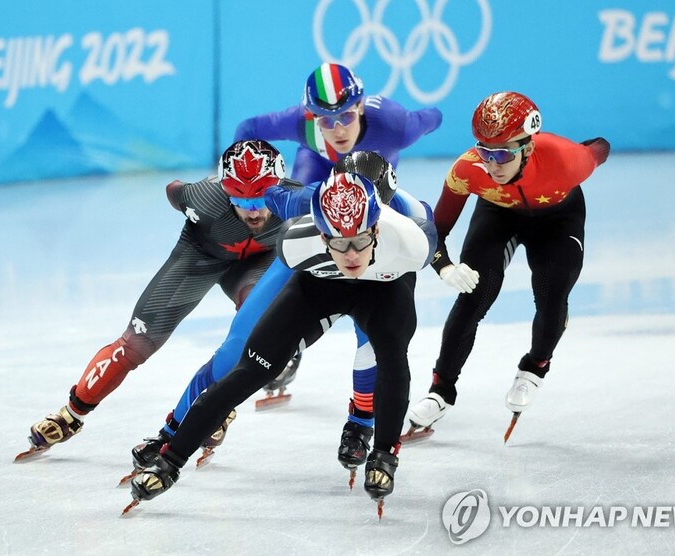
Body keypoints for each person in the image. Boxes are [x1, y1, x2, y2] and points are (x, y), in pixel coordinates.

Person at [129, 62, 442, 469]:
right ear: (311, 116)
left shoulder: (395, 124)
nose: (337, 128)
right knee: (235, 348)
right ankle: (172, 433)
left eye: (346, 115)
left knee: (376, 341)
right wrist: (240, 184)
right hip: (310, 242)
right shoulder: (302, 140)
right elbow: (246, 135)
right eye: (325, 120)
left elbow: (432, 118)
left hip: (365, 245)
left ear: (363, 106)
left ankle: (360, 422)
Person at [124, 171, 438, 515]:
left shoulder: (411, 243)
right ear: (321, 234)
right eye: (337, 241)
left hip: (385, 289)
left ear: (377, 230)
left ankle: (383, 453)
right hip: (319, 287)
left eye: (360, 240)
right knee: (250, 369)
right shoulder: (295, 242)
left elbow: (430, 227)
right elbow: (278, 196)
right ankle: (171, 460)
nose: (350, 255)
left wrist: (448, 265)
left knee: (392, 357)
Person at [16, 140, 296, 459]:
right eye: (238, 198)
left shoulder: (297, 203)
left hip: (257, 265)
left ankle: (219, 404)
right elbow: (172, 189)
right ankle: (71, 414)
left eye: (260, 197)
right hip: (198, 258)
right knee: (134, 344)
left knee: (255, 329)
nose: (252, 210)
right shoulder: (200, 198)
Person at [405, 91, 611, 441]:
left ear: (527, 148)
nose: (492, 163)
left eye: (501, 153)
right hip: (497, 214)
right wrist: (444, 267)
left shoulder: (567, 160)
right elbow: (434, 232)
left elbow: (599, 147)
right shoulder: (467, 170)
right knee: (473, 298)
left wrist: (589, 149)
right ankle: (440, 391)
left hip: (558, 219)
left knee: (551, 292)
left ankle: (534, 367)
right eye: (484, 151)